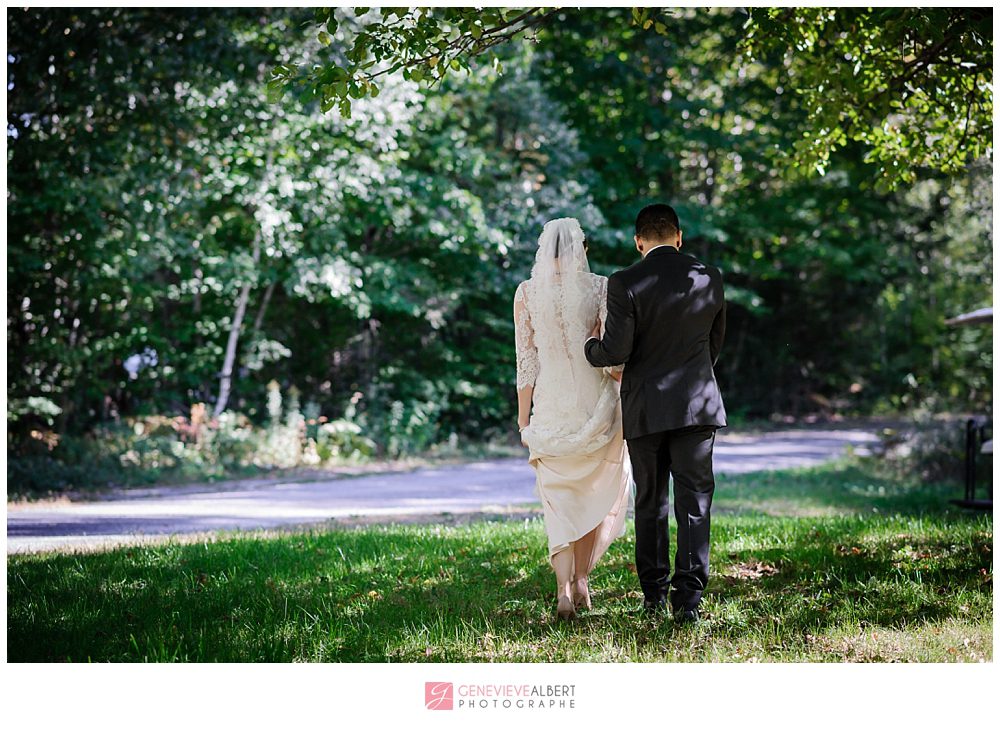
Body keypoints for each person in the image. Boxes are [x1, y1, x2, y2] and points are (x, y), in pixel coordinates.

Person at [584, 203, 726, 624]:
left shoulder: (625, 281)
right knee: (695, 502)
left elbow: (615, 350)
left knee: (651, 502)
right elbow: (714, 344)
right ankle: (689, 601)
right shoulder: (709, 277)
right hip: (697, 405)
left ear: (638, 242)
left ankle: (653, 596)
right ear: (679, 237)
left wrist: (590, 347)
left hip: (645, 407)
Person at [514, 217, 632, 622]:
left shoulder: (526, 293)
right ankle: (582, 580)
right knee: (592, 494)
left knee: (559, 501)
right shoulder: (599, 287)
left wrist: (523, 420)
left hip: (550, 409)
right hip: (595, 405)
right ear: (582, 249)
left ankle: (563, 590)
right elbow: (610, 354)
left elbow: (526, 363)